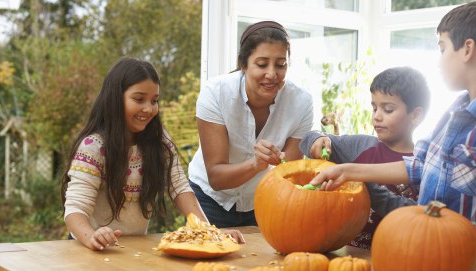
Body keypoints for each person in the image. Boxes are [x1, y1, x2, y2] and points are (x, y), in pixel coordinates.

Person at [309, 1, 476, 271]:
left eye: (442, 48)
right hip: (433, 268)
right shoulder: (454, 112)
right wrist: (348, 170)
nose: (438, 60)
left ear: (468, 49)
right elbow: (419, 166)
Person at [61, 57, 244, 251]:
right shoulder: (93, 147)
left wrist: (209, 232)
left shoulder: (159, 140)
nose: (149, 109)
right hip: (88, 248)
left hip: (132, 249)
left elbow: (179, 187)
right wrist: (92, 237)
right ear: (115, 98)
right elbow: (75, 208)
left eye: (154, 100)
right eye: (139, 99)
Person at [188, 21, 314, 228]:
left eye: (281, 65)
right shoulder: (215, 93)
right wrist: (257, 164)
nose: (272, 74)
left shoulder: (301, 103)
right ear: (243, 64)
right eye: (262, 64)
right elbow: (216, 177)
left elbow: (287, 174)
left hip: (261, 200)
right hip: (209, 199)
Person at [299, 66, 430, 250]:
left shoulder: (427, 165)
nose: (377, 116)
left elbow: (419, 215)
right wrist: (318, 139)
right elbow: (307, 138)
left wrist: (369, 188)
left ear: (415, 115)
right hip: (350, 256)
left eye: (388, 109)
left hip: (400, 258)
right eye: (374, 107)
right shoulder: (361, 146)